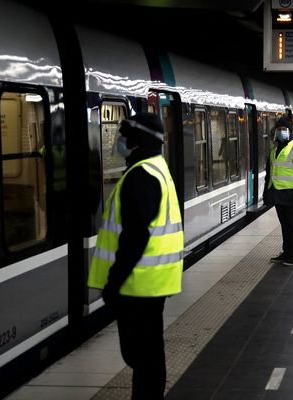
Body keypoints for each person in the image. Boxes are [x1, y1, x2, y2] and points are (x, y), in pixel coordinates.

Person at [88, 113, 183, 400]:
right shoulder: (156, 168)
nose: (119, 142)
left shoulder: (140, 177)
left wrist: (113, 283)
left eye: (124, 136)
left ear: (137, 141)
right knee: (148, 355)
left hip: (137, 285)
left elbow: (135, 237)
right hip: (151, 283)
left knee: (141, 357)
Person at [265, 116, 293, 266]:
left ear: (290, 131)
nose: (281, 132)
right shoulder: (274, 149)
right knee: (285, 225)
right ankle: (287, 252)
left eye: (283, 129)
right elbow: (270, 173)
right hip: (278, 194)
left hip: (291, 195)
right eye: (278, 130)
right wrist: (267, 192)